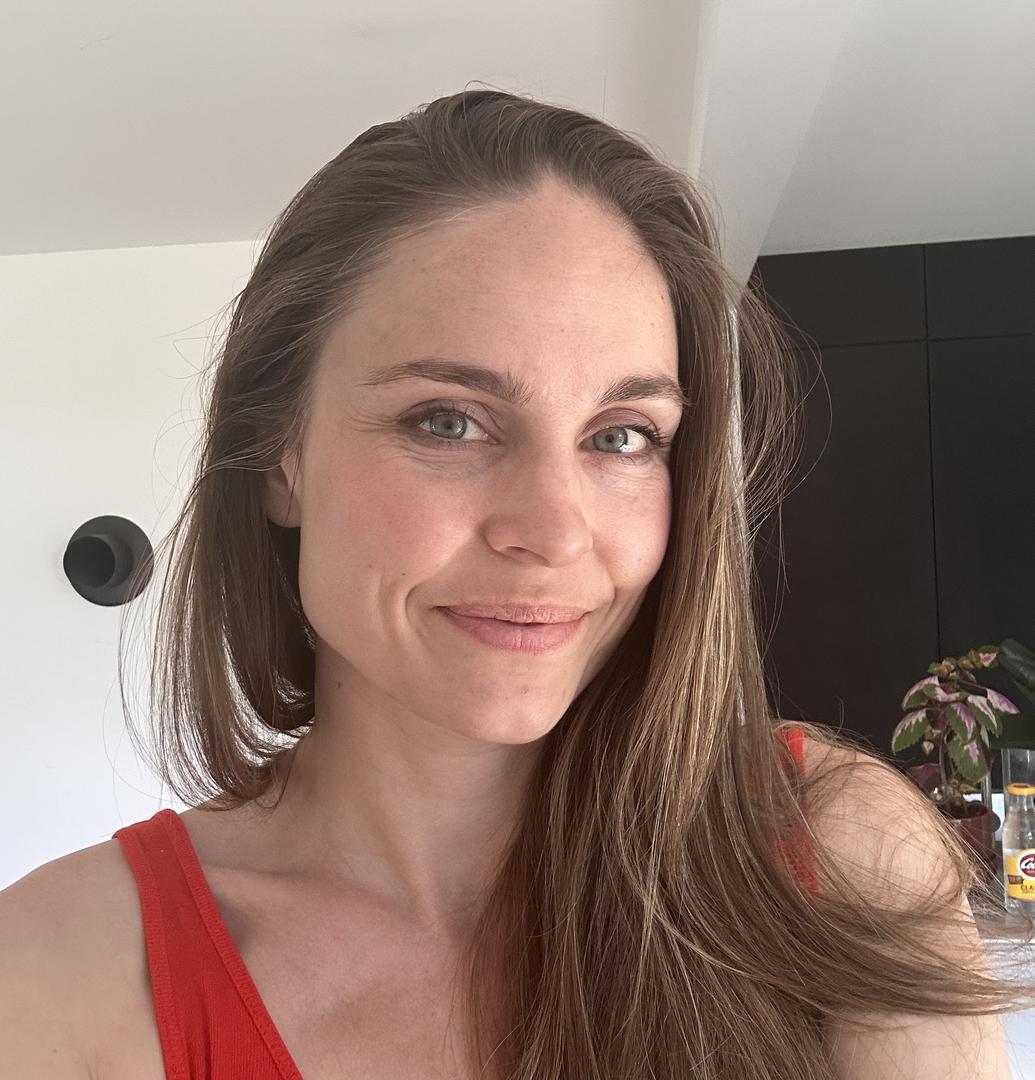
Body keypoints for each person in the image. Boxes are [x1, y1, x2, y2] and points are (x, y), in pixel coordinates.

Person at [2, 86, 1032, 1080]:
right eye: (447, 421)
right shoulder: (57, 975)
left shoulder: (833, 850)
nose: (554, 531)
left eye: (622, 436)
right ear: (280, 460)